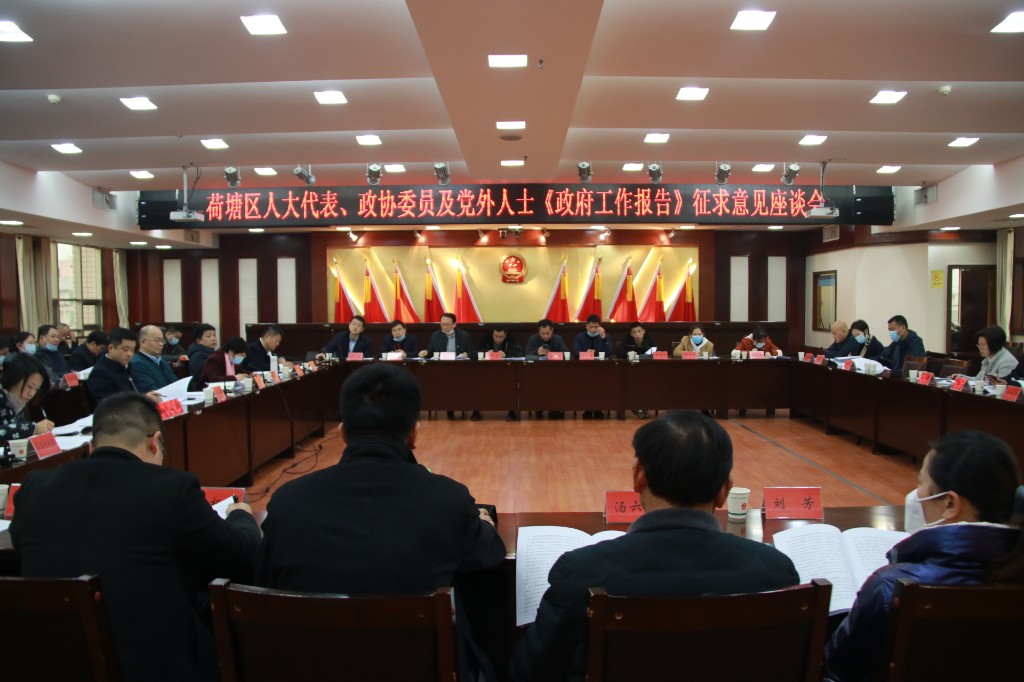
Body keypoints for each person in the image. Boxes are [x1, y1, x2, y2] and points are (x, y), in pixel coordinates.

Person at [255, 363, 505, 678]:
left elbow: (262, 585)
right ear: (414, 433)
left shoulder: (288, 503)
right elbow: (490, 555)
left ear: (342, 433)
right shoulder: (448, 500)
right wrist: (484, 521)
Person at [510, 411, 800, 682]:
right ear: (725, 490)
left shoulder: (582, 573)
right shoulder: (776, 573)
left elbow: (528, 673)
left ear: (639, 476)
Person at [10, 392, 260, 682]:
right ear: (155, 442)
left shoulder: (35, 486)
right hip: (152, 665)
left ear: (91, 447)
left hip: (51, 660)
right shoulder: (172, 489)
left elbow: (20, 546)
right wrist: (241, 515)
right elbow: (242, 556)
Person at [824, 431, 1024, 682]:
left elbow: (838, 667)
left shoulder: (890, 587)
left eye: (920, 482)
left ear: (950, 504)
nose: (915, 494)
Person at [470, 326, 522, 421]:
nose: (498, 339)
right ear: (492, 334)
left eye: (501, 337)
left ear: (505, 335)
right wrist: (486, 352)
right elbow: (473, 353)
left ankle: (511, 411)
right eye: (496, 336)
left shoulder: (510, 339)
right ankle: (476, 411)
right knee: (476, 383)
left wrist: (505, 354)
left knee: (511, 384)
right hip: (486, 371)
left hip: (505, 371)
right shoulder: (486, 339)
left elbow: (520, 353)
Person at [0, 354, 54, 444]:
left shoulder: (18, 403)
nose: (31, 393)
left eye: (36, 389)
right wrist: (33, 428)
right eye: (29, 387)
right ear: (14, 378)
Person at [525, 319, 570, 419]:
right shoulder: (533, 339)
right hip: (537, 373)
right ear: (539, 331)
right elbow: (526, 355)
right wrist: (537, 352)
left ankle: (554, 408)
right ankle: (539, 407)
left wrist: (552, 355)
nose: (545, 336)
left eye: (547, 333)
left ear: (552, 330)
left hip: (555, 372)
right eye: (543, 333)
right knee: (537, 383)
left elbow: (566, 354)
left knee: (556, 383)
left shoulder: (558, 339)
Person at [87, 327, 144, 405]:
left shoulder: (127, 365)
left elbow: (138, 390)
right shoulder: (99, 374)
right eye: (125, 349)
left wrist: (145, 397)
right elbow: (109, 406)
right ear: (111, 348)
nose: (129, 354)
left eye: (132, 350)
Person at [130, 325, 179, 393]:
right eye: (157, 340)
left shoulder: (162, 362)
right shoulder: (136, 363)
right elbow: (150, 390)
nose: (161, 344)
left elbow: (175, 383)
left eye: (162, 341)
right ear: (143, 342)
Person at [186, 323, 218, 390]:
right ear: (199, 341)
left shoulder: (211, 353)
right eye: (208, 336)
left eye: (214, 335)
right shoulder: (197, 356)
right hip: (201, 390)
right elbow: (207, 376)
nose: (213, 338)